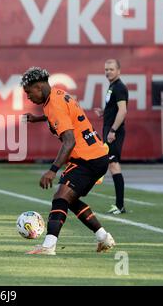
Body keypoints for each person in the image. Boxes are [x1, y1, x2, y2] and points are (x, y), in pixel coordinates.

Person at [22, 66, 115, 255]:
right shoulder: (56, 94)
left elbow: (69, 141)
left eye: (29, 92)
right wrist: (37, 119)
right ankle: (104, 237)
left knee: (60, 198)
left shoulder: (53, 103)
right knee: (70, 200)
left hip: (86, 158)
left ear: (39, 87)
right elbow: (60, 115)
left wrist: (52, 170)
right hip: (96, 155)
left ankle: (48, 246)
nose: (28, 97)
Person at [94, 59, 128, 214]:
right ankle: (119, 205)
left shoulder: (120, 87)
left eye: (111, 69)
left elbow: (123, 111)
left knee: (113, 164)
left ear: (119, 71)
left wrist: (113, 130)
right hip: (109, 129)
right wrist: (104, 112)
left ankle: (120, 205)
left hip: (114, 131)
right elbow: (115, 108)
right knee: (111, 164)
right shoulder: (112, 86)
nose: (108, 72)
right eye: (106, 69)